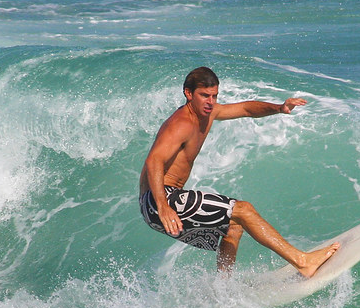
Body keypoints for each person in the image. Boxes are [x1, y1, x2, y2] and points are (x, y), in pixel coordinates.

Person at [139, 67, 339, 277]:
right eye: (204, 96)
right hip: (159, 200)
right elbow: (154, 161)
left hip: (161, 201)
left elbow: (246, 109)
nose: (210, 101)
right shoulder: (181, 123)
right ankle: (303, 261)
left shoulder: (209, 112)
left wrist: (279, 108)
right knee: (243, 210)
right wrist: (163, 207)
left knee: (233, 226)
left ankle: (223, 289)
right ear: (189, 94)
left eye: (214, 96)